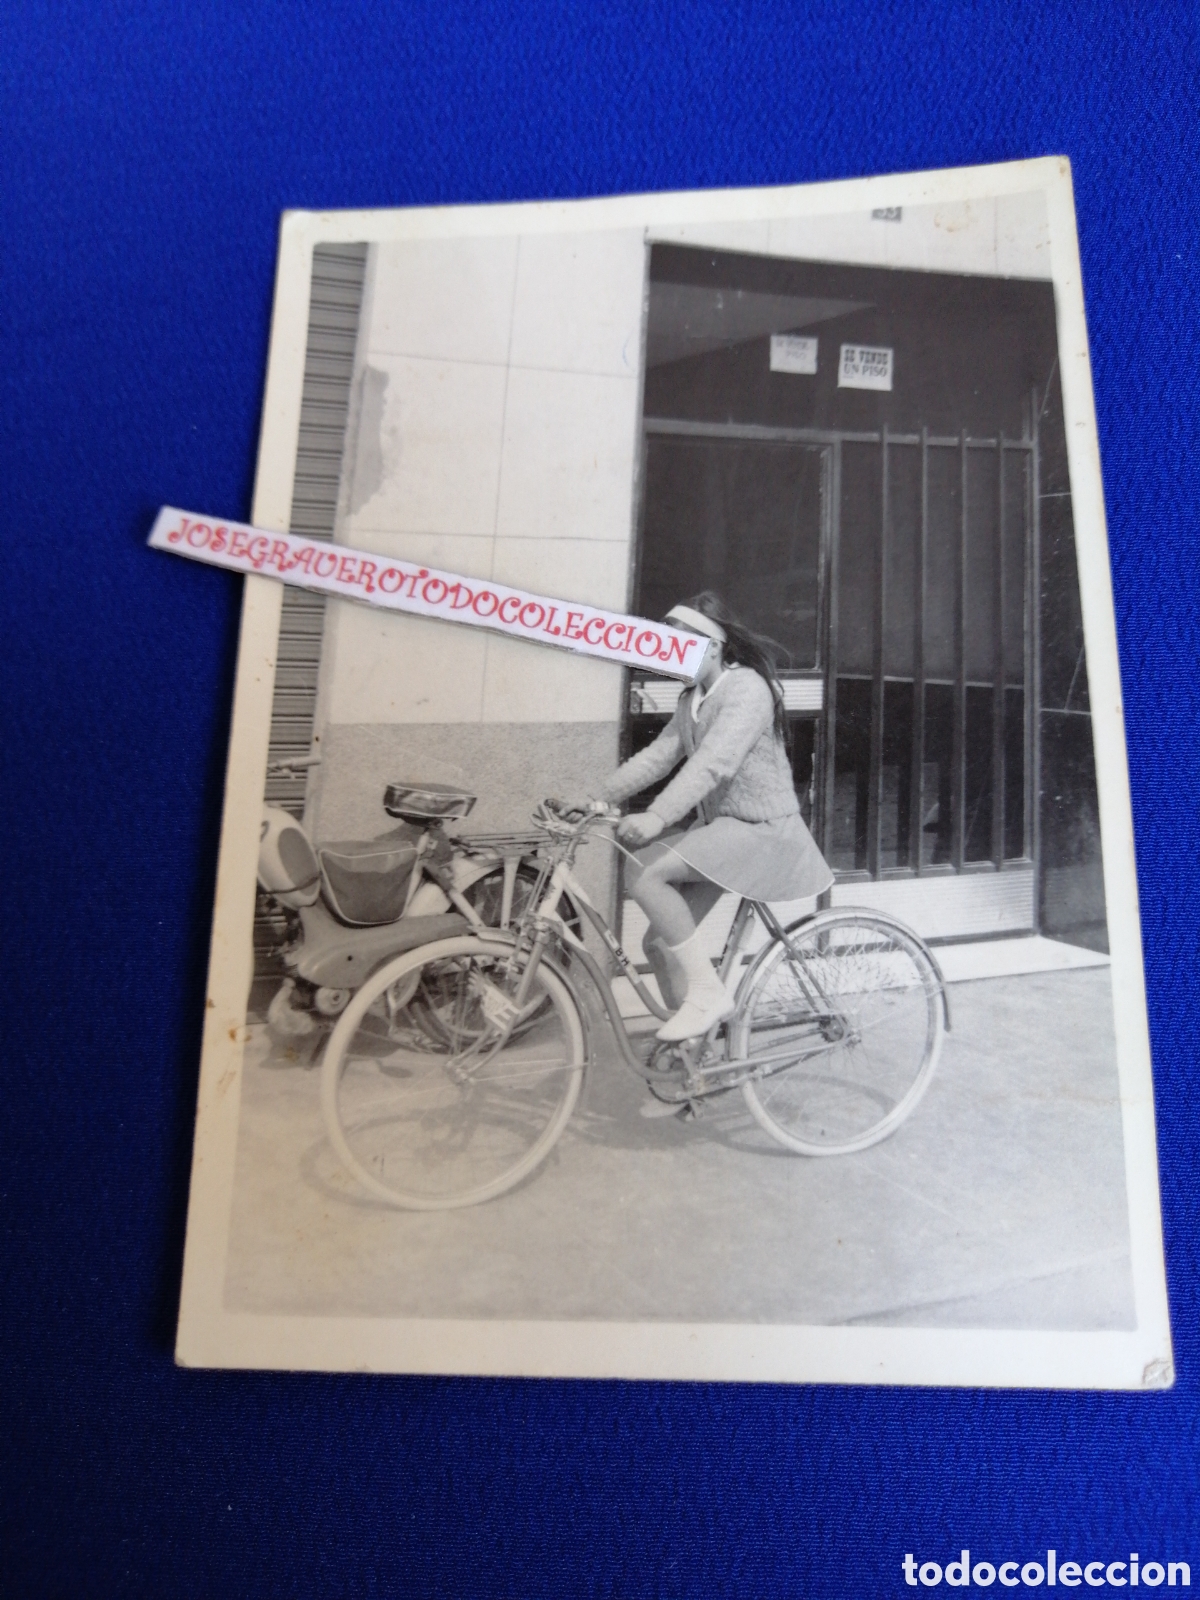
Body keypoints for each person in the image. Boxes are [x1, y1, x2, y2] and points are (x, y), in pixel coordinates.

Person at [588, 592, 833, 1045]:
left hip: (763, 830)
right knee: (661, 944)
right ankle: (694, 1055)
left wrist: (658, 816)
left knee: (646, 875)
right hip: (724, 830)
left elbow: (713, 763)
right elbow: (658, 758)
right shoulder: (691, 700)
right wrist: (592, 798)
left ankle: (707, 994)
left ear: (715, 646)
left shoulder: (747, 689)